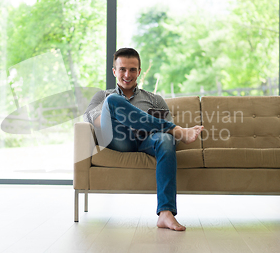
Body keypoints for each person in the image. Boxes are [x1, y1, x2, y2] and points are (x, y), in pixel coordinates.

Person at [83, 48, 203, 231]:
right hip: (117, 139)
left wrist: (150, 127)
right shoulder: (104, 97)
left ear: (139, 71)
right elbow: (97, 122)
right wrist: (133, 118)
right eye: (122, 69)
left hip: (146, 142)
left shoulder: (154, 100)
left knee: (165, 139)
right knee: (114, 101)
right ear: (114, 71)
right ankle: (179, 129)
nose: (127, 74)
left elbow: (170, 140)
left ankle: (166, 213)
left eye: (132, 70)